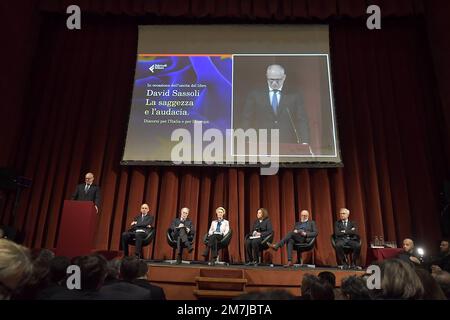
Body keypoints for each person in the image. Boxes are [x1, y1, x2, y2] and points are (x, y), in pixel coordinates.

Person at [239, 64, 310, 146]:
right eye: (271, 80)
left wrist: (305, 142)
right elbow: (247, 119)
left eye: (278, 80)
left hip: (287, 143)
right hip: (261, 143)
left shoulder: (295, 95)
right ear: (267, 76)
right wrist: (246, 140)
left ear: (284, 77)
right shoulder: (255, 94)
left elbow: (301, 120)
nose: (274, 83)